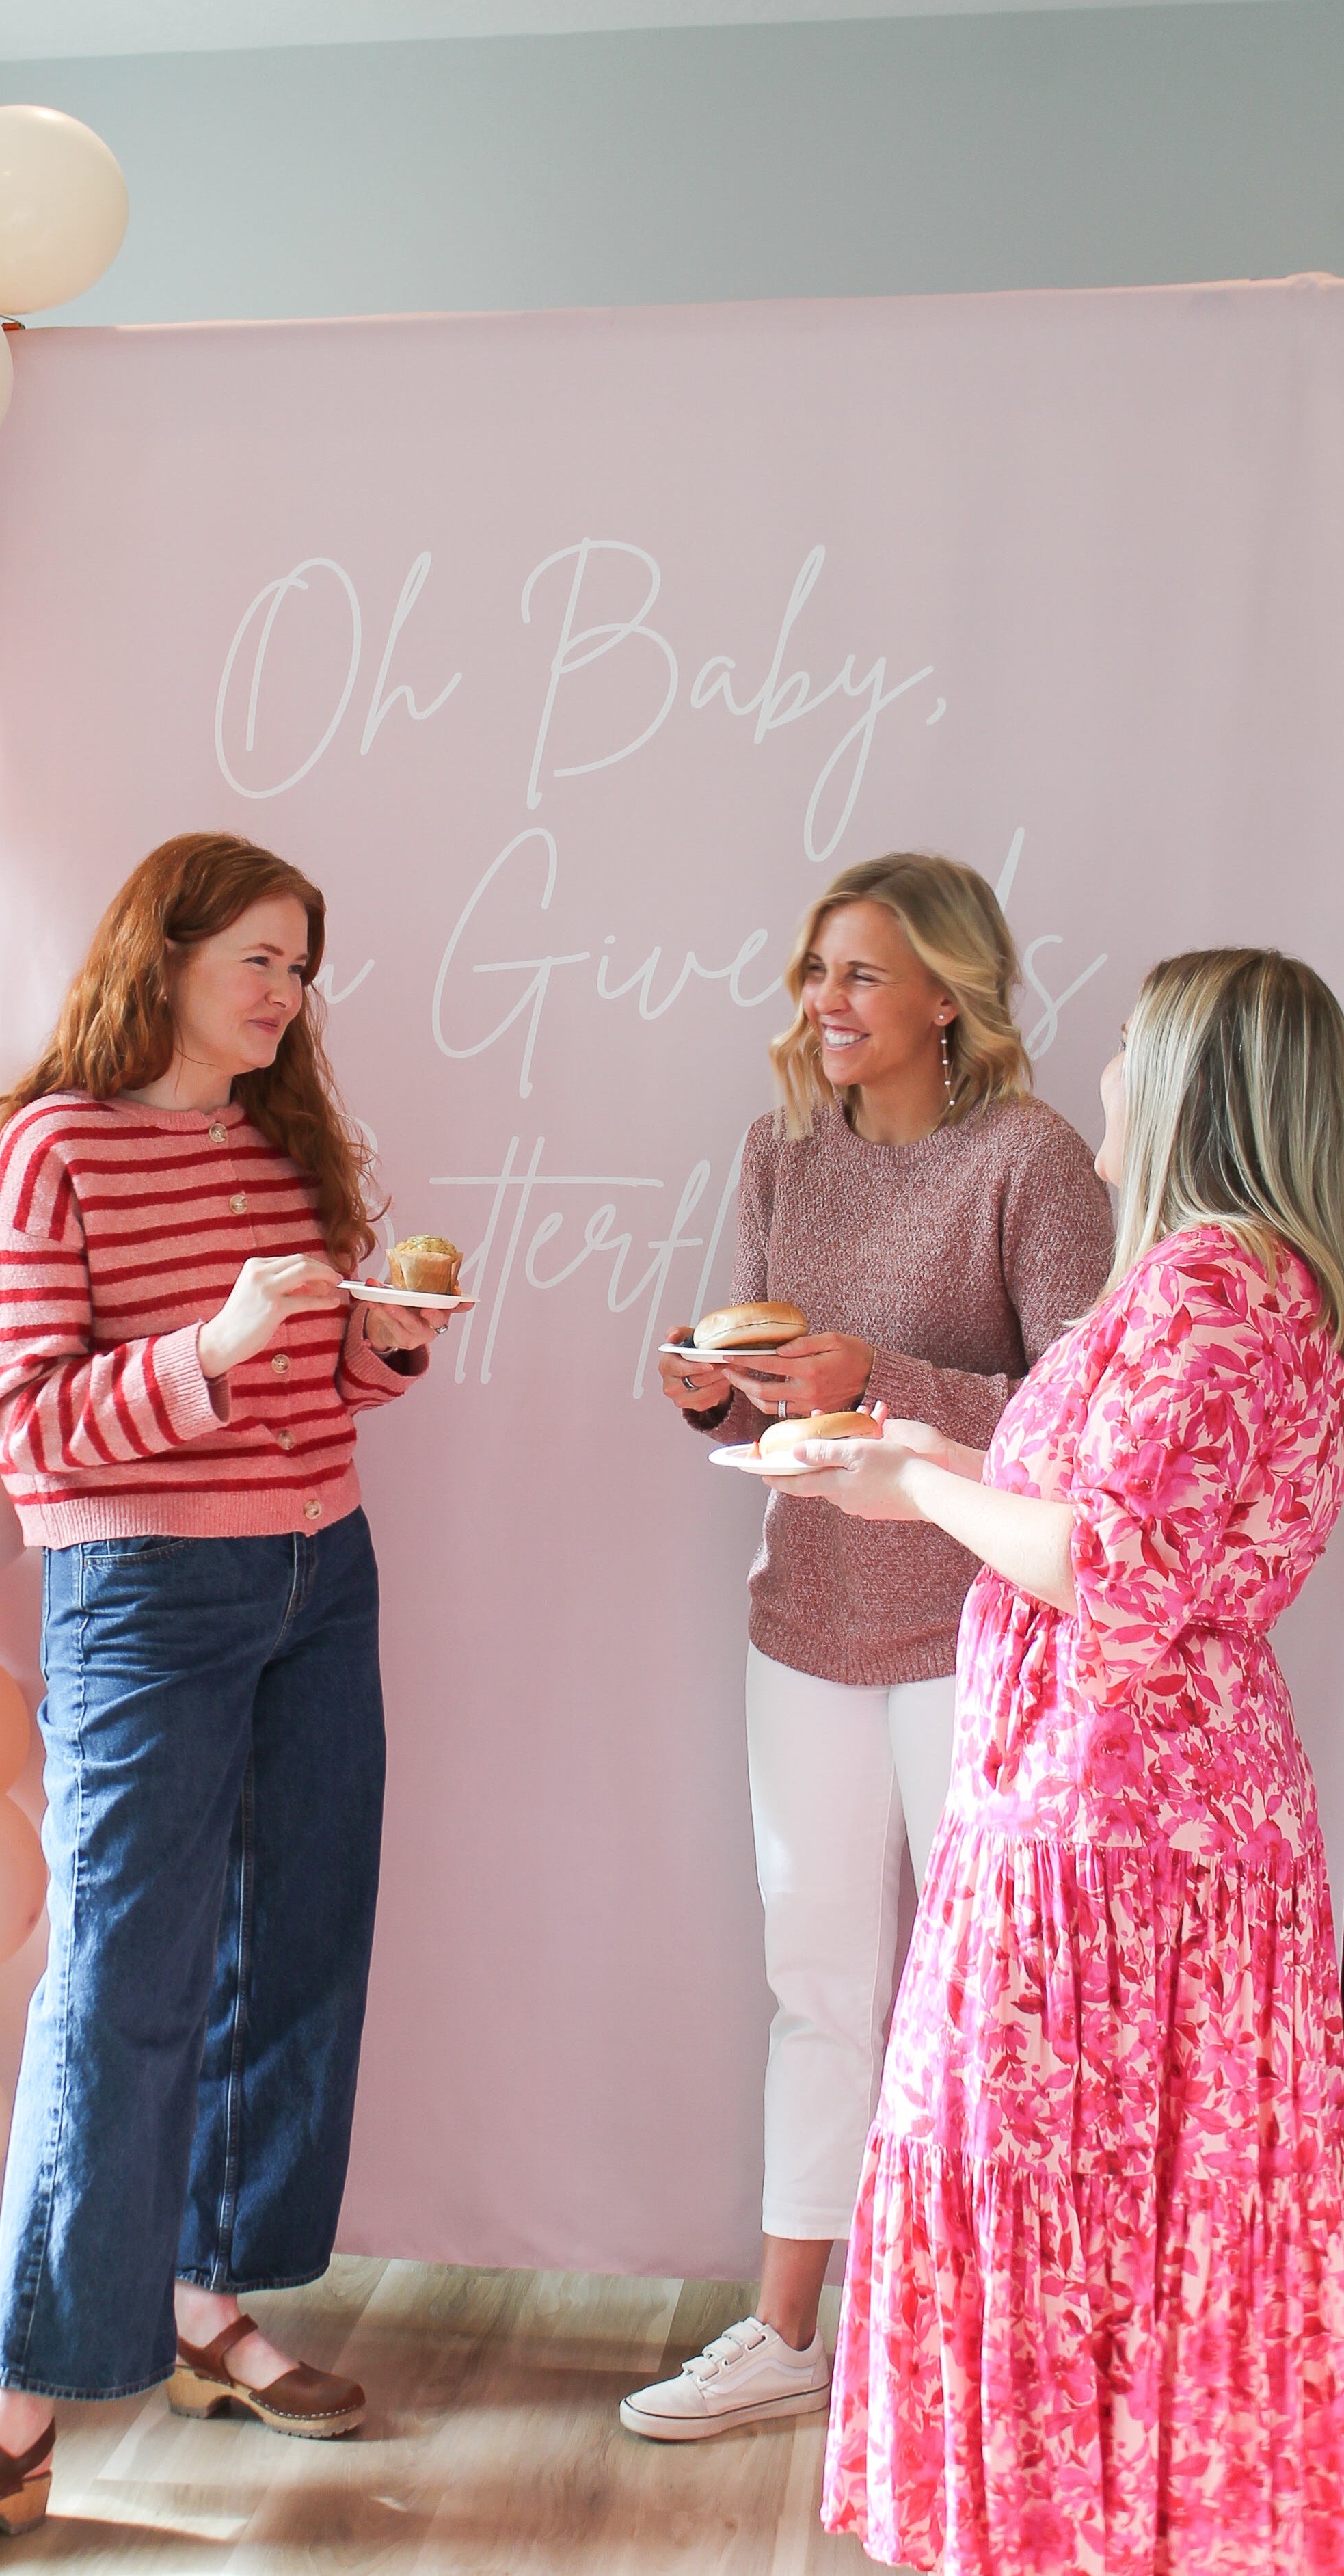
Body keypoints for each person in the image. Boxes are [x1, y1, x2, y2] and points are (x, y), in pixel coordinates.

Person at [0, 833, 438, 2573]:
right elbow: (33, 1426)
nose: (284, 995)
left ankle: (205, 2307)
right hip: (147, 1601)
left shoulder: (283, 1144)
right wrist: (219, 1348)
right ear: (160, 958)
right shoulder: (50, 1151)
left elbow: (315, 1383)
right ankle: (14, 2419)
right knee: (120, 1990)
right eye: (256, 958)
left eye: (301, 967)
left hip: (320, 1575)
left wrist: (376, 1348)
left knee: (298, 1945)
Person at [773, 948, 1344, 2573]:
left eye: (1127, 1054)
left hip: (1113, 1831)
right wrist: (920, 1456)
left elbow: (1110, 1560)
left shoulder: (1211, 1291)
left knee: (1053, 2192)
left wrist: (922, 1495)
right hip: (1128, 1820)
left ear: (1189, 1088)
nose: (1101, 1078)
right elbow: (1101, 1496)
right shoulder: (1237, 1283)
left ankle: (1058, 2532)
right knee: (1142, 2214)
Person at [621, 853, 1114, 2443]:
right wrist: (716, 1381)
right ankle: (783, 2332)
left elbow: (1080, 1414)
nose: (821, 1003)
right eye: (814, 971)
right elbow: (769, 1363)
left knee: (989, 1999)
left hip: (975, 1625)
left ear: (943, 997)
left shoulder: (1031, 1160)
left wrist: (880, 1372)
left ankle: (983, 2346)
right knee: (816, 1982)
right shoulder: (784, 1150)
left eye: (856, 975)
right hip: (805, 1613)